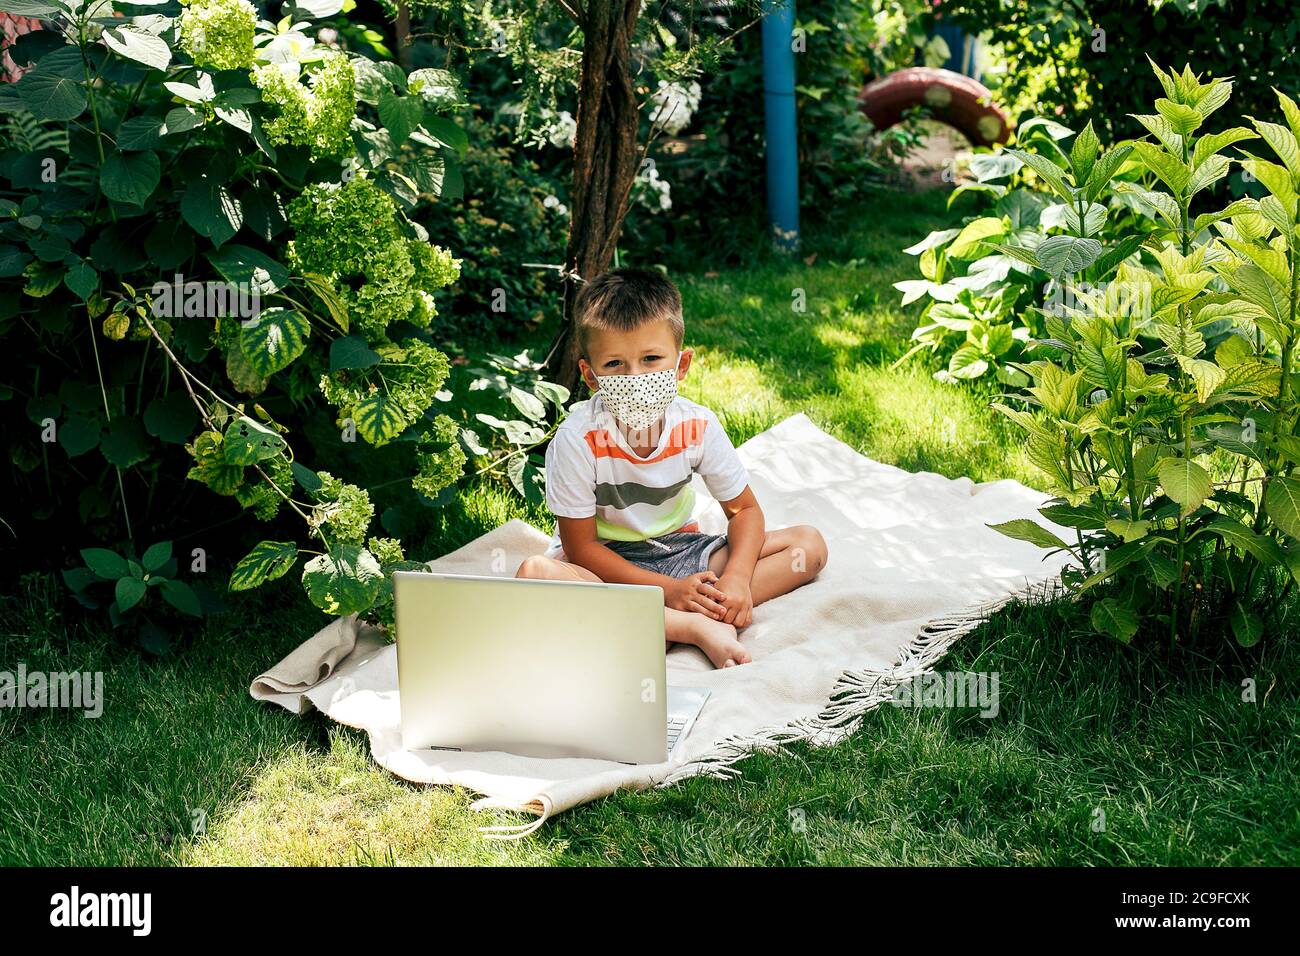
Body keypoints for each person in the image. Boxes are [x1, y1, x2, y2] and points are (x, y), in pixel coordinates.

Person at [516, 267, 828, 667]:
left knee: (808, 545)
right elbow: (582, 548)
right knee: (535, 573)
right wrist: (670, 590)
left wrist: (735, 578)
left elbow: (745, 511)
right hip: (606, 567)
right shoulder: (579, 439)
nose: (635, 376)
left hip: (679, 550)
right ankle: (691, 626)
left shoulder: (696, 425)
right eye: (614, 364)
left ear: (681, 365)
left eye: (651, 358)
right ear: (590, 376)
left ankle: (660, 621)